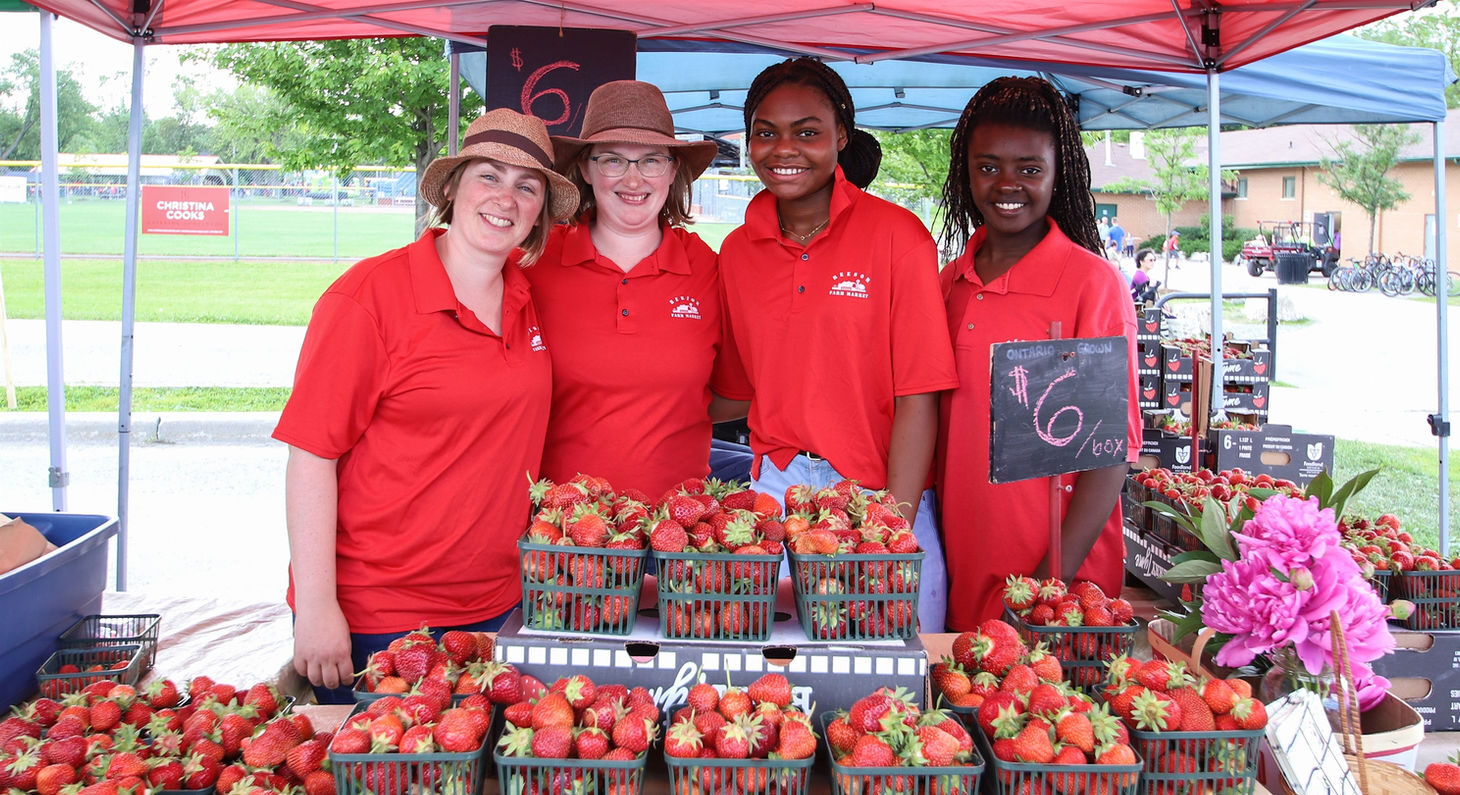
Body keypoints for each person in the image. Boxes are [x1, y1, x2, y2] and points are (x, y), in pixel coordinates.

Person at [273, 109, 578, 702]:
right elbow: (310, 456)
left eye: (527, 186)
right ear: (453, 187)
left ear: (541, 209)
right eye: (488, 176)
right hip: (382, 615)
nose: (505, 199)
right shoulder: (368, 297)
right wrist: (315, 606)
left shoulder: (528, 295)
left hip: (499, 607)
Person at [716, 57, 959, 632]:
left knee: (896, 681)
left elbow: (919, 395)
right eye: (765, 132)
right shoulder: (735, 252)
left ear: (841, 137)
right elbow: (733, 390)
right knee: (773, 689)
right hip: (777, 491)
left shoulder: (898, 237)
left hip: (883, 492)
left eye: (807, 132)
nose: (785, 149)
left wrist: (890, 527)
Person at [934, 76, 1141, 630]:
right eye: (988, 166)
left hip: (1055, 586)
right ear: (965, 172)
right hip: (963, 563)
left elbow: (1109, 451)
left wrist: (1050, 586)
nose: (1008, 184)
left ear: (1059, 174)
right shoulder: (946, 285)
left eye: (1029, 169)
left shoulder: (1091, 284)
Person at [528, 80, 740, 498]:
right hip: (561, 531)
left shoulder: (709, 270)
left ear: (673, 169)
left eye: (651, 161)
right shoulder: (535, 262)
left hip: (677, 534)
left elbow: (734, 395)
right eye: (612, 161)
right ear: (586, 169)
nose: (633, 178)